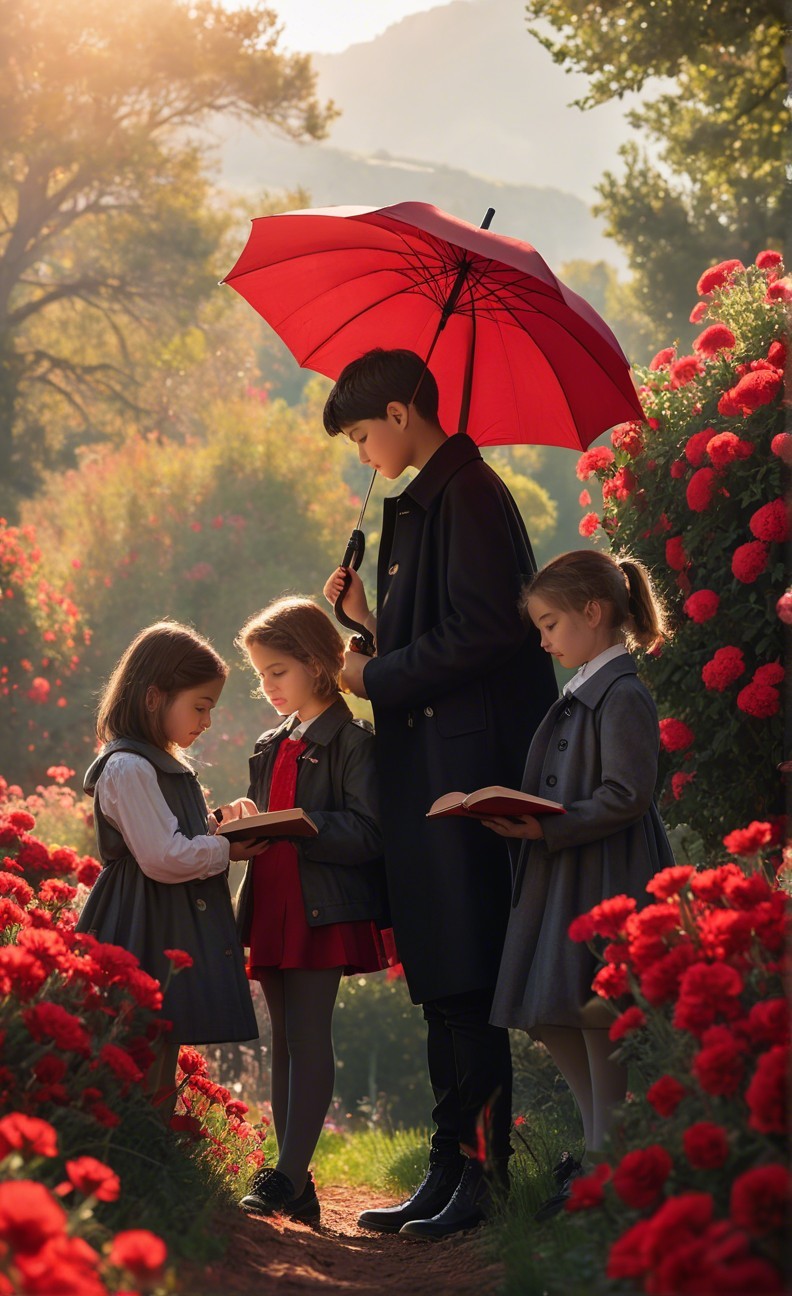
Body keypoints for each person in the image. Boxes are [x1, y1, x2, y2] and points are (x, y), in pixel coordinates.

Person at [322, 348, 558, 1240]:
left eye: (359, 434)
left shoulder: (467, 492)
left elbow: (492, 630)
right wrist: (370, 629)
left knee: (466, 961)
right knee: (442, 970)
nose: (360, 454)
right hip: (430, 769)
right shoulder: (430, 495)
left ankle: (481, 1175)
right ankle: (448, 1162)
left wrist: (374, 671)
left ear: (398, 409)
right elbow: (446, 629)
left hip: (465, 772)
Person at [484, 549, 675, 1217]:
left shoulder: (621, 692)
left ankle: (606, 1160)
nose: (542, 640)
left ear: (592, 614)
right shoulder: (587, 686)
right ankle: (601, 1150)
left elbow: (628, 794)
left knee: (595, 1012)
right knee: (548, 1007)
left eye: (549, 624)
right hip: (565, 868)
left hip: (607, 873)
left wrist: (547, 826)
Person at [231, 597, 386, 1227]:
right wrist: (240, 818)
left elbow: (372, 833)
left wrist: (307, 826)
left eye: (278, 672)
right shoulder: (272, 742)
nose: (267, 686)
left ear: (320, 667)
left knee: (308, 1033)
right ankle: (292, 1176)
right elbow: (265, 819)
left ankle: (288, 1175)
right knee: (281, 1045)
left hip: (321, 905)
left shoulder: (354, 742)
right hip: (270, 898)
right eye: (261, 674)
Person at [76, 620, 264, 1114]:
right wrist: (227, 850)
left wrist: (220, 822)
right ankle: (130, 1145)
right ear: (154, 697)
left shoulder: (158, 762)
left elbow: (175, 832)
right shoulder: (129, 766)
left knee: (162, 1030)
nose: (206, 721)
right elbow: (162, 855)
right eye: (199, 707)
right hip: (140, 915)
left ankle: (153, 1142)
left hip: (161, 911)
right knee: (139, 1032)